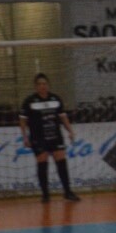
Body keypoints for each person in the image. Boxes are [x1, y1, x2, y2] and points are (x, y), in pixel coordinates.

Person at [19, 73, 80, 202]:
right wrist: (25, 137)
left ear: (48, 85)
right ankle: (45, 195)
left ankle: (67, 192)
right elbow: (23, 121)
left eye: (45, 84)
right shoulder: (29, 101)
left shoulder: (55, 99)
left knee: (61, 163)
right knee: (42, 164)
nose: (42, 86)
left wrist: (70, 131)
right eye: (40, 84)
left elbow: (63, 117)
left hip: (55, 136)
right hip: (38, 138)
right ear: (35, 86)